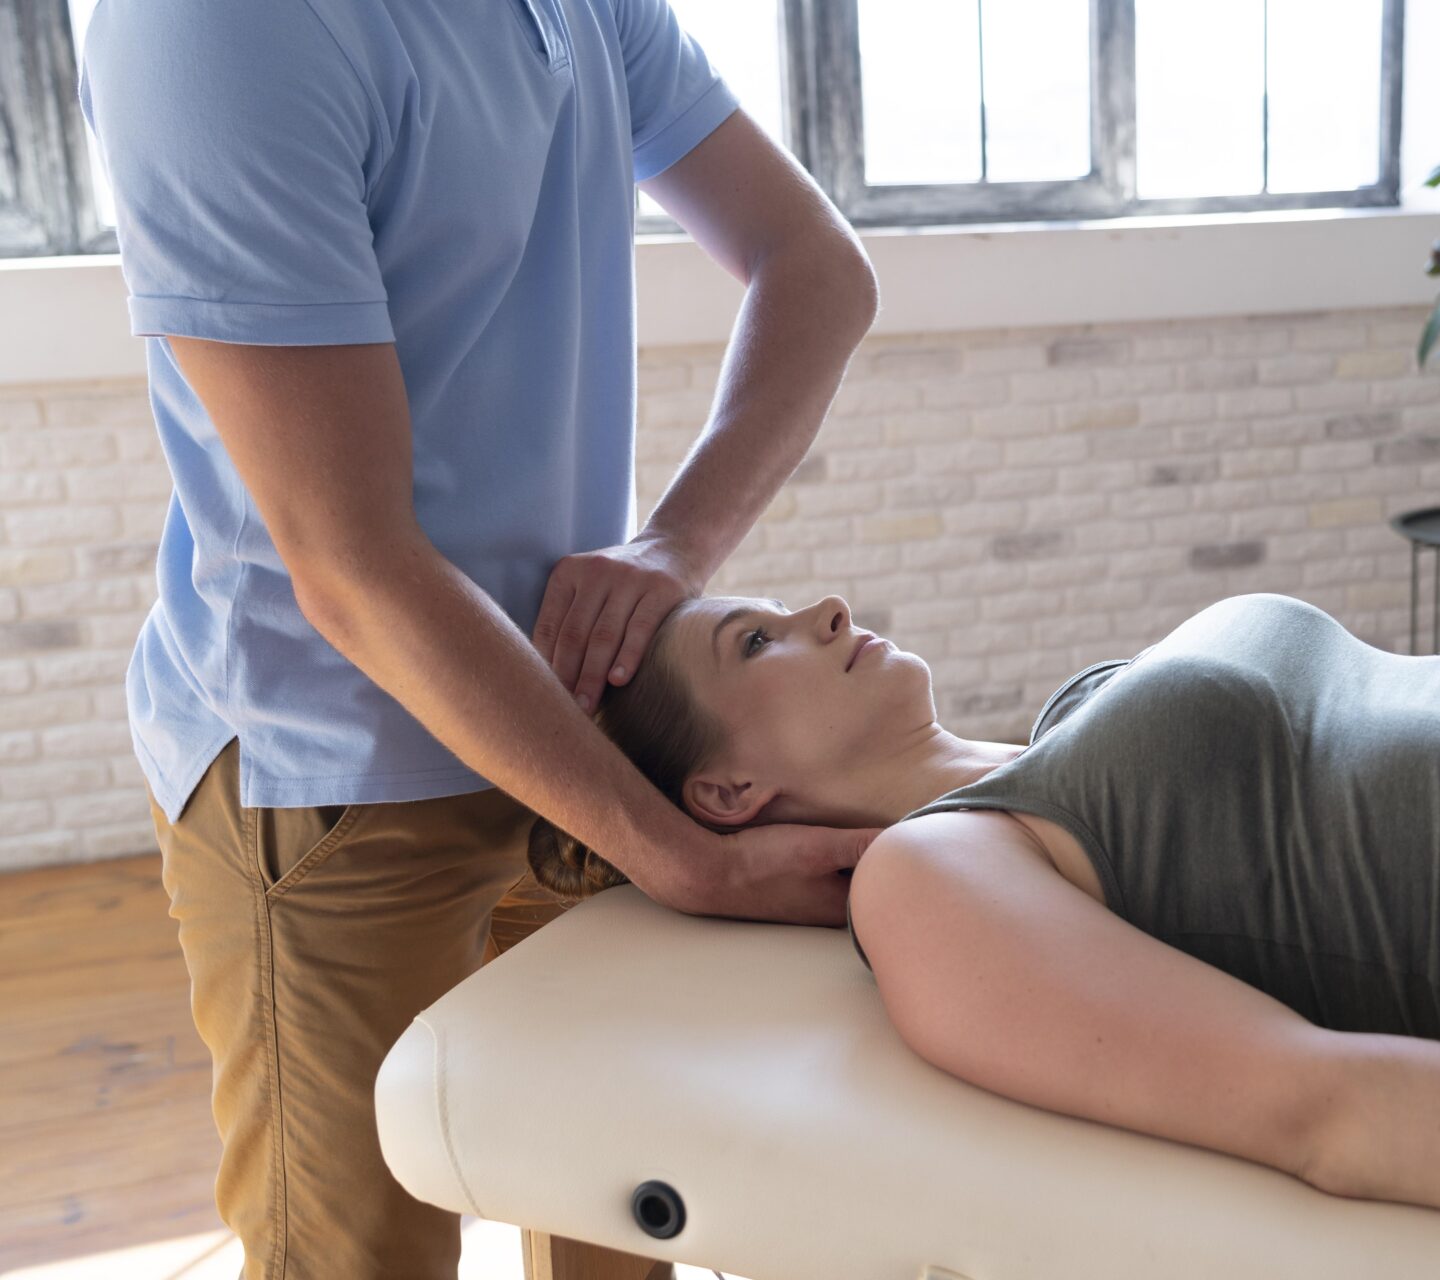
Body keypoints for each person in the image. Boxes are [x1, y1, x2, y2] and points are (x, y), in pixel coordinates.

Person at [76, 0, 880, 1274]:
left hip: (579, 717)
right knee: (359, 1258)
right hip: (336, 768)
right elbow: (353, 566)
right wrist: (677, 853)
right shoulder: (217, 26)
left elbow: (819, 267)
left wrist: (671, 551)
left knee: (624, 1217)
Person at [529, 590, 1440, 1278]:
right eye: (757, 645)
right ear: (727, 791)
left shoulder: (1070, 718)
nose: (822, 608)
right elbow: (1326, 1107)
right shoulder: (935, 881)